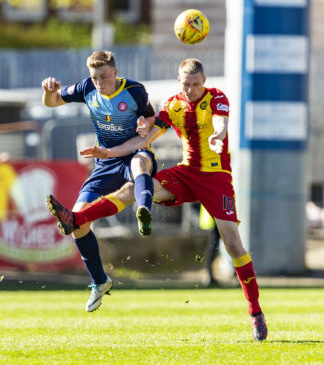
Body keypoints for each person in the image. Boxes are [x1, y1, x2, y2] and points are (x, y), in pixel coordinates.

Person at [47, 58, 268, 341]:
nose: (190, 90)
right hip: (187, 173)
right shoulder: (173, 105)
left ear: (204, 81)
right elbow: (144, 140)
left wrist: (219, 133)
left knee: (233, 243)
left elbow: (220, 120)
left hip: (216, 178)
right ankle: (76, 219)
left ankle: (255, 313)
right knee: (132, 188)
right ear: (179, 81)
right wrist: (111, 153)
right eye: (186, 84)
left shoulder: (217, 97)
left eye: (196, 84)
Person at [42, 50, 156, 312]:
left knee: (141, 163)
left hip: (132, 153)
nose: (99, 83)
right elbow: (52, 102)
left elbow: (152, 117)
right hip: (104, 162)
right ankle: (100, 281)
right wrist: (49, 90)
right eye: (94, 78)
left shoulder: (135, 91)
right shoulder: (86, 88)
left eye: (104, 77)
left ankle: (144, 209)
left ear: (115, 73)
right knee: (77, 222)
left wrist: (144, 123)